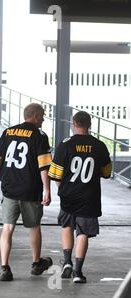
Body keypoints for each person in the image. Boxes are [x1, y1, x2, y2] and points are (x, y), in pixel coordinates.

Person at [0, 103, 53, 281]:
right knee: (34, 226)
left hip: (9, 190)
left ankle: (5, 268)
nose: (43, 120)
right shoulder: (39, 136)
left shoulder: (8, 132)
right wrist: (47, 190)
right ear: (34, 115)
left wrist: (5, 180)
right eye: (41, 116)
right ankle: (36, 264)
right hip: (31, 190)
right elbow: (44, 167)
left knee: (7, 228)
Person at [49, 111, 112, 284]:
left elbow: (54, 174)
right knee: (83, 232)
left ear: (73, 123)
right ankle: (78, 271)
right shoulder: (99, 145)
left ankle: (67, 262)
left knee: (67, 226)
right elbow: (107, 173)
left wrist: (63, 189)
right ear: (89, 125)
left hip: (68, 195)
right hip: (89, 196)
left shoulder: (65, 144)